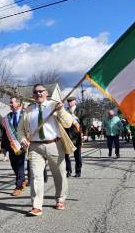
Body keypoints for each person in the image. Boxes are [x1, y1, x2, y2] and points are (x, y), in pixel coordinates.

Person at [18, 84, 73, 216]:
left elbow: (68, 123)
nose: (38, 94)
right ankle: (36, 205)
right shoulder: (28, 110)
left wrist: (61, 111)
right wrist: (22, 138)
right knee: (36, 176)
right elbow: (19, 129)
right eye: (35, 92)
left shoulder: (54, 106)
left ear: (46, 92)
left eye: (41, 91)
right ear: (33, 95)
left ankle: (60, 199)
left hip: (54, 144)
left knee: (59, 174)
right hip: (35, 146)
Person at [5, 96, 27, 196]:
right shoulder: (7, 117)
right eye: (10, 103)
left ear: (18, 103)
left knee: (20, 165)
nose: (10, 104)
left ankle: (18, 186)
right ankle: (22, 179)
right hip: (12, 145)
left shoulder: (25, 114)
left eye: (11, 102)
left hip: (24, 144)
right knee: (14, 165)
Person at [64, 97, 83, 178]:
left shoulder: (81, 111)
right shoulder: (65, 111)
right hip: (67, 135)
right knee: (66, 155)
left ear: (75, 101)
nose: (69, 102)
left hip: (77, 135)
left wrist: (85, 134)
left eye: (71, 101)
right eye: (68, 101)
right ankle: (68, 171)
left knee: (77, 155)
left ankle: (78, 171)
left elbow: (84, 123)